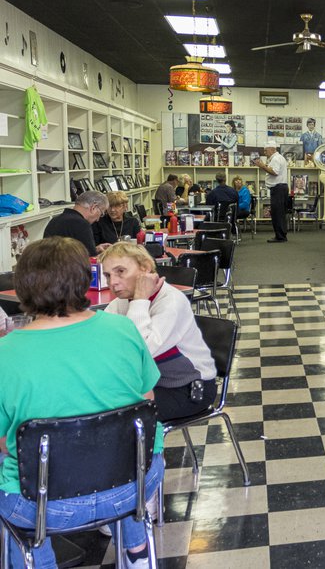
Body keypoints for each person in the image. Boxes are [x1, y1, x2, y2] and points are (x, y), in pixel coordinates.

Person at [0, 238, 164, 569]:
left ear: (22, 288)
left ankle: (36, 559)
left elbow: (6, 444)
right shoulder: (124, 330)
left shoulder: (6, 354)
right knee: (129, 442)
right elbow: (146, 403)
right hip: (133, 483)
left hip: (42, 504)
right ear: (86, 279)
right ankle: (135, 550)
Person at [100, 242, 218, 421]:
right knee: (95, 403)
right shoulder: (122, 300)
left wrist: (140, 300)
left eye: (121, 271)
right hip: (150, 384)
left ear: (145, 269)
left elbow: (140, 352)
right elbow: (104, 341)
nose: (113, 282)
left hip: (189, 388)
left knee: (119, 417)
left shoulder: (170, 301)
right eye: (108, 275)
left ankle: (146, 449)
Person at [42, 190, 108, 256]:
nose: (98, 219)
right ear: (93, 208)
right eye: (101, 213)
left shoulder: (56, 219)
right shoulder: (81, 224)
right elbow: (90, 259)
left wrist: (95, 249)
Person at [255, 140, 289, 242]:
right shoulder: (279, 158)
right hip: (281, 188)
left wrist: (262, 166)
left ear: (272, 149)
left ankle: (280, 236)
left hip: (278, 189)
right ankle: (282, 235)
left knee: (277, 213)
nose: (264, 153)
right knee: (280, 213)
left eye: (266, 151)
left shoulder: (276, 159)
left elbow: (274, 172)